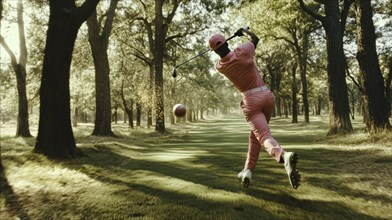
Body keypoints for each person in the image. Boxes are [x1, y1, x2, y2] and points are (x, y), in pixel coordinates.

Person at [208, 28, 301, 189]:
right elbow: (255, 39)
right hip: (266, 96)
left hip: (251, 102)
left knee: (263, 135)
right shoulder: (243, 51)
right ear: (227, 43)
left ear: (215, 52)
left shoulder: (220, 66)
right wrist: (243, 31)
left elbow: (222, 56)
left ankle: (284, 156)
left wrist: (218, 48)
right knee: (255, 136)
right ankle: (247, 171)